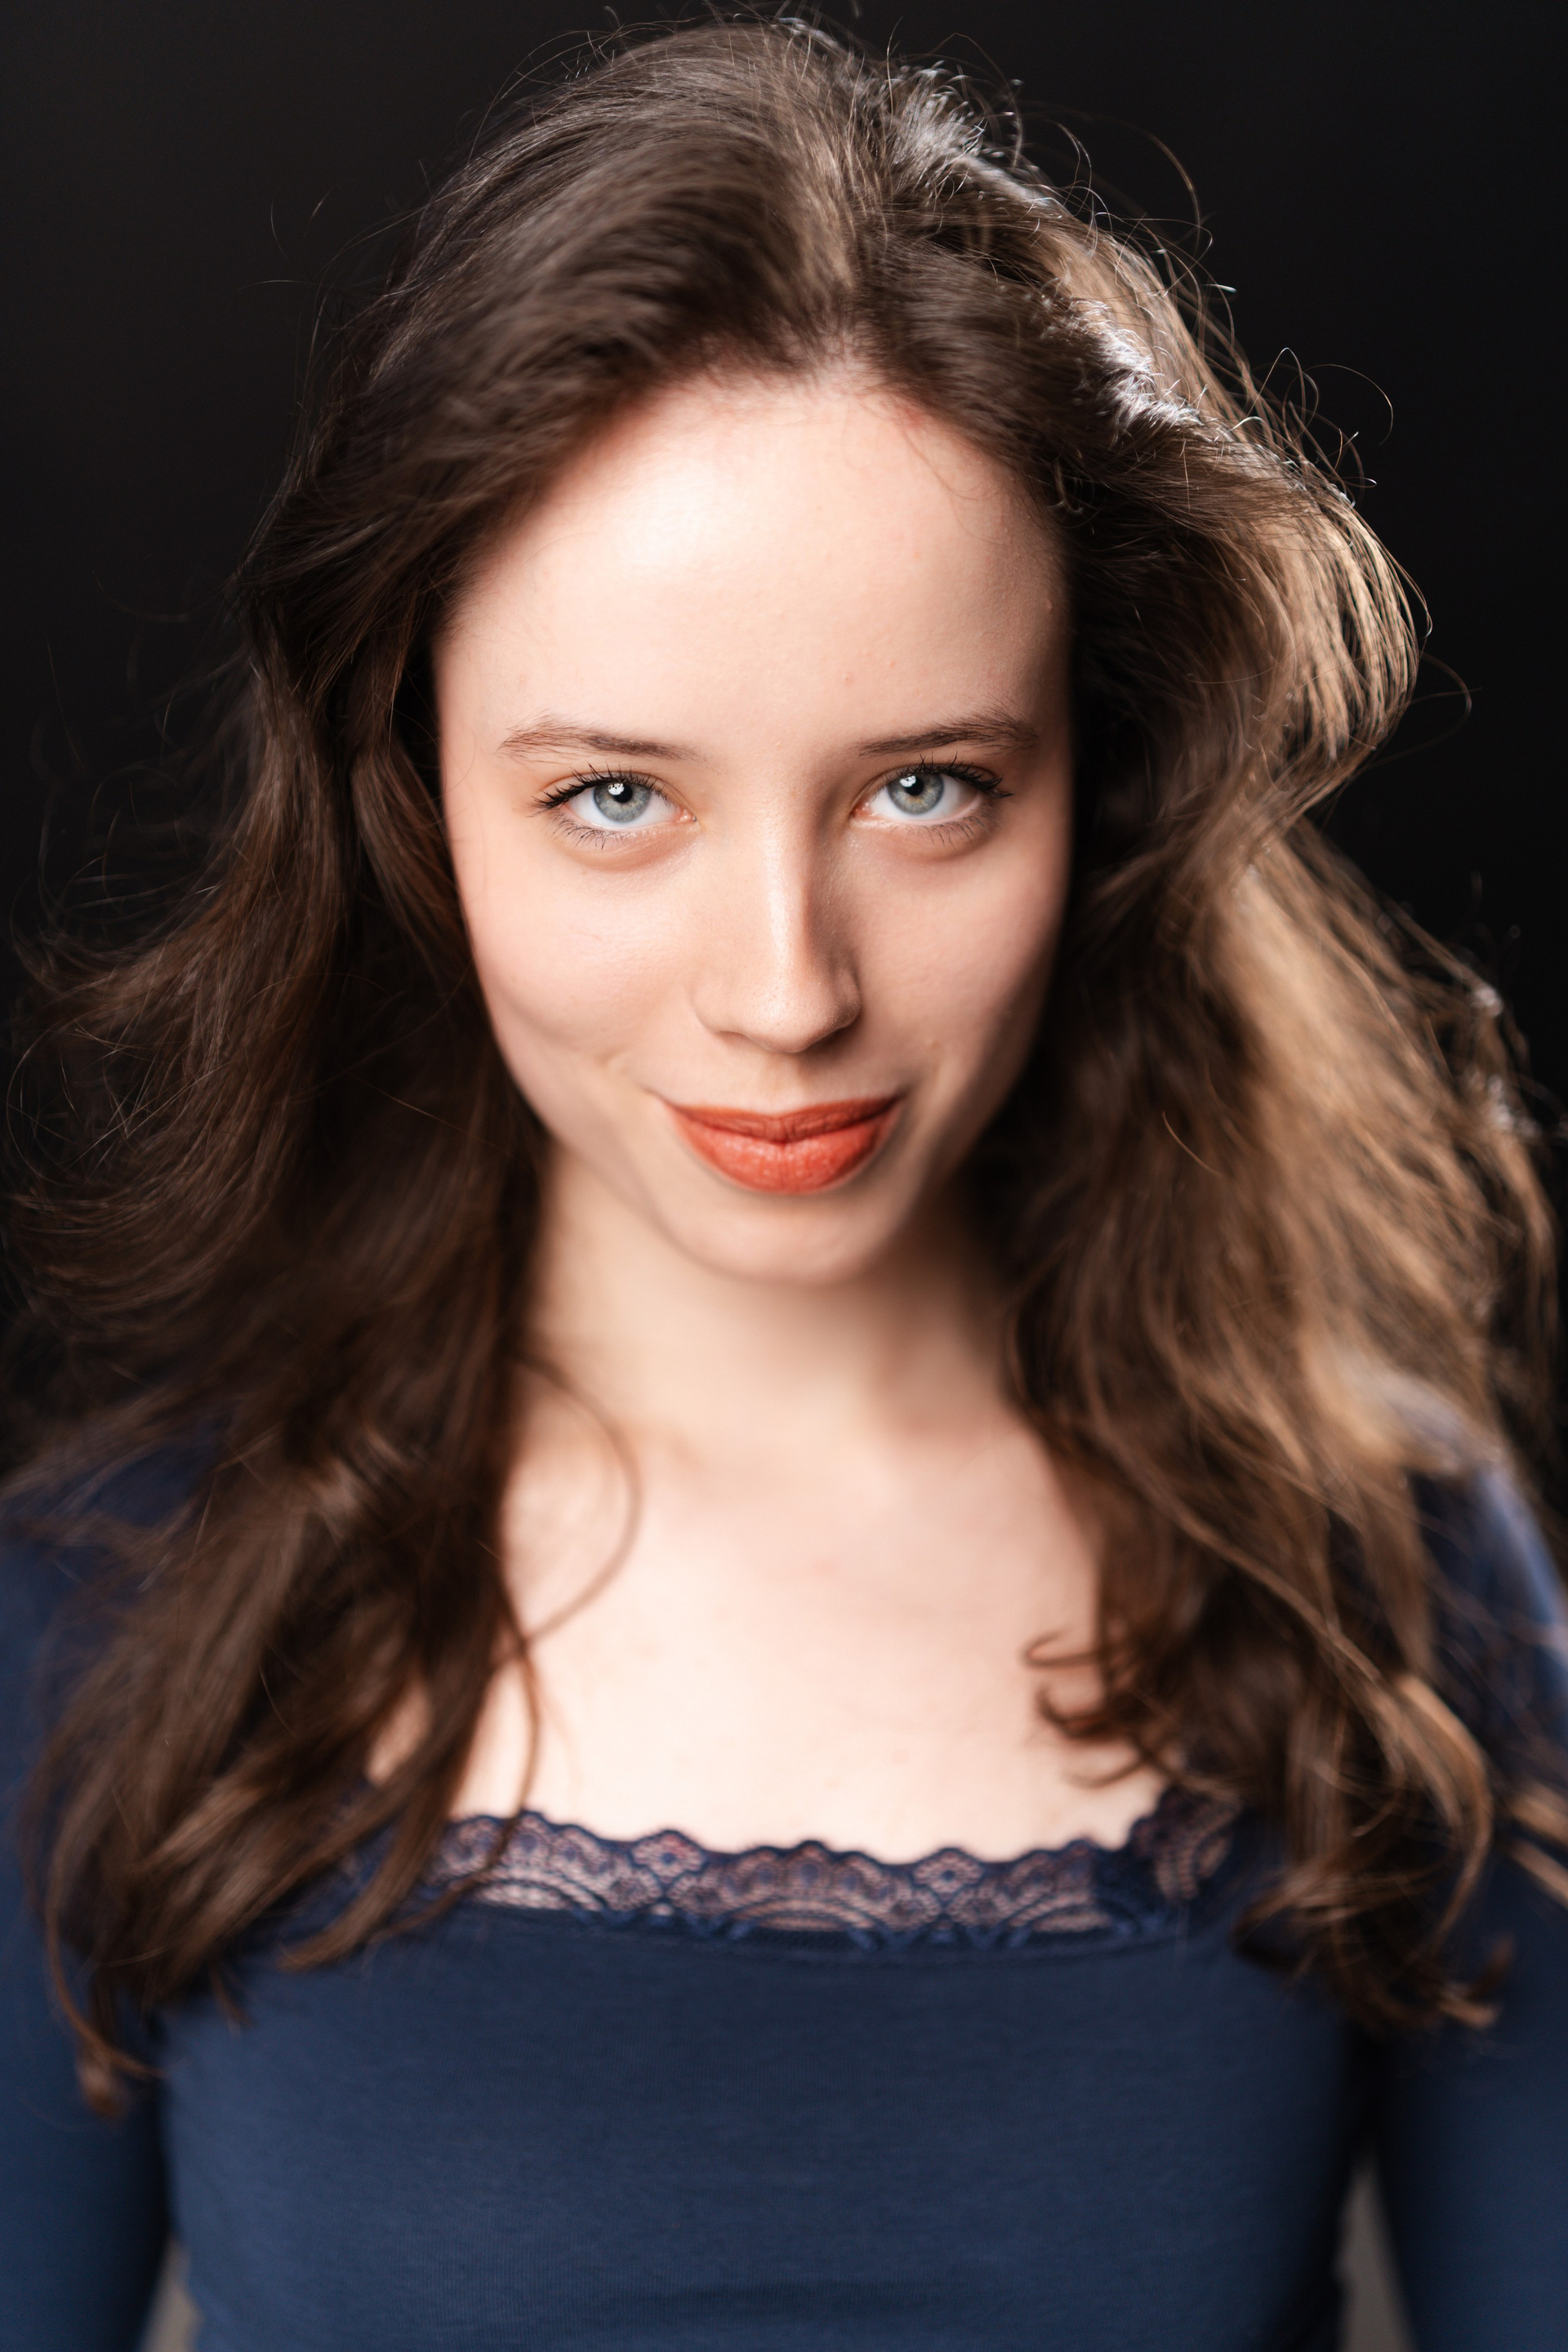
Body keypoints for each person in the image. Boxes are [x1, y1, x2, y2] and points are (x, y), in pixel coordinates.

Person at [2, 20, 1564, 2350]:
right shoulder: (108, 1618)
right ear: (416, 803)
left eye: (925, 788)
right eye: (615, 799)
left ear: (1098, 782)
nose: (786, 991)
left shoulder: (1395, 1578)